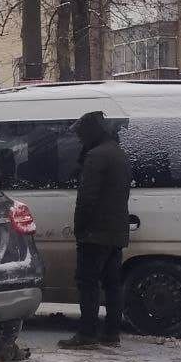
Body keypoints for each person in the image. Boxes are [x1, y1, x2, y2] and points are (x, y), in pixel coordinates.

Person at [59, 111, 131, 349]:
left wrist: (79, 226)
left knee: (88, 283)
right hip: (116, 231)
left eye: (81, 135)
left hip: (95, 232)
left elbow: (86, 198)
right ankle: (112, 333)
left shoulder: (96, 156)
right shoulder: (118, 153)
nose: (80, 140)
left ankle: (87, 334)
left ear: (91, 132)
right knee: (112, 283)